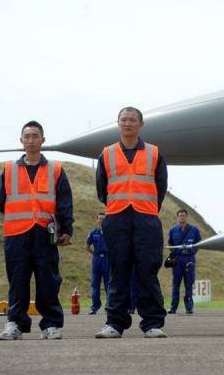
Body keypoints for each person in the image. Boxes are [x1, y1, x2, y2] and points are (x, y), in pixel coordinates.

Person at [94, 107, 168, 339]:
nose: (128, 124)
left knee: (147, 271)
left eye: (132, 120)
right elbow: (101, 188)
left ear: (141, 124)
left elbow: (161, 186)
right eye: (123, 120)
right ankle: (115, 323)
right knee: (118, 271)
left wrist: (145, 209)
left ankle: (152, 323)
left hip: (146, 218)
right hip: (117, 218)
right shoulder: (106, 154)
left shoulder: (154, 153)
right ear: (117, 123)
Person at [0, 120, 74, 340]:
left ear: (43, 140)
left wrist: (66, 229)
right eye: (27, 136)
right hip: (16, 235)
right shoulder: (8, 169)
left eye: (35, 136)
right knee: (17, 281)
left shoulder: (56, 170)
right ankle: (15, 325)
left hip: (45, 234)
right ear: (21, 140)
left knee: (48, 280)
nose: (31, 141)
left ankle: (51, 325)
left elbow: (65, 202)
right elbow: (2, 202)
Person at [168, 209, 202, 314]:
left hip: (189, 259)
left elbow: (199, 243)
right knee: (176, 284)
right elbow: (170, 244)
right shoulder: (173, 230)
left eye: (183, 215)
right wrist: (176, 252)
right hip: (178, 260)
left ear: (187, 217)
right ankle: (173, 308)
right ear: (177, 217)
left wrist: (191, 252)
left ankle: (189, 307)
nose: (182, 217)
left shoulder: (194, 230)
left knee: (189, 284)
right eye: (180, 215)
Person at [86, 213, 109, 315]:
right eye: (100, 219)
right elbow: (87, 246)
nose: (101, 221)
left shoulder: (111, 233)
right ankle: (94, 307)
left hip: (107, 259)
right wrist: (94, 254)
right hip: (97, 260)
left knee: (109, 284)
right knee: (95, 284)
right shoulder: (93, 233)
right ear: (97, 220)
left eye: (103, 219)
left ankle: (109, 306)